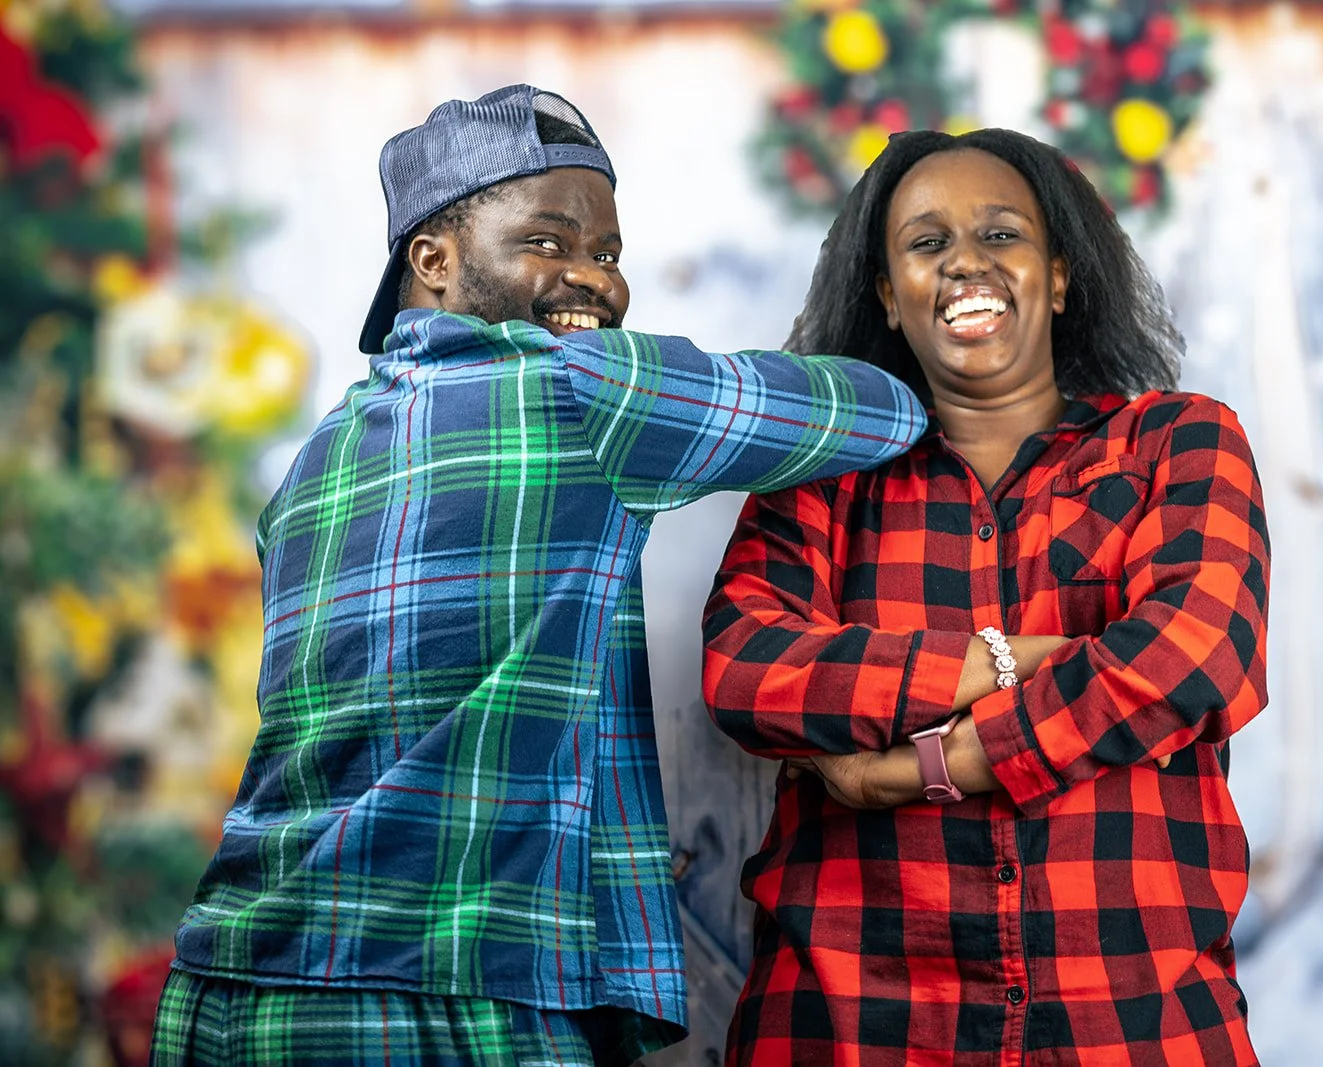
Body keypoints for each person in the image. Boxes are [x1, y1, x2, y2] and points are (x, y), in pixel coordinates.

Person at [150, 85, 927, 1066]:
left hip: (235, 983)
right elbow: (874, 413)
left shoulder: (318, 456)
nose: (592, 281)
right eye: (548, 242)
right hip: (454, 985)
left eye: (606, 254)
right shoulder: (584, 387)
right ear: (431, 259)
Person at [703, 128, 1269, 1065]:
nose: (965, 259)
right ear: (890, 296)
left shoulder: (1179, 441)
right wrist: (1022, 658)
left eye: (1001, 234)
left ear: (1058, 275)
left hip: (1132, 1026)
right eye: (926, 244)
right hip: (850, 1026)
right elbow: (747, 670)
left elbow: (1194, 654)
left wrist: (924, 766)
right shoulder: (823, 475)